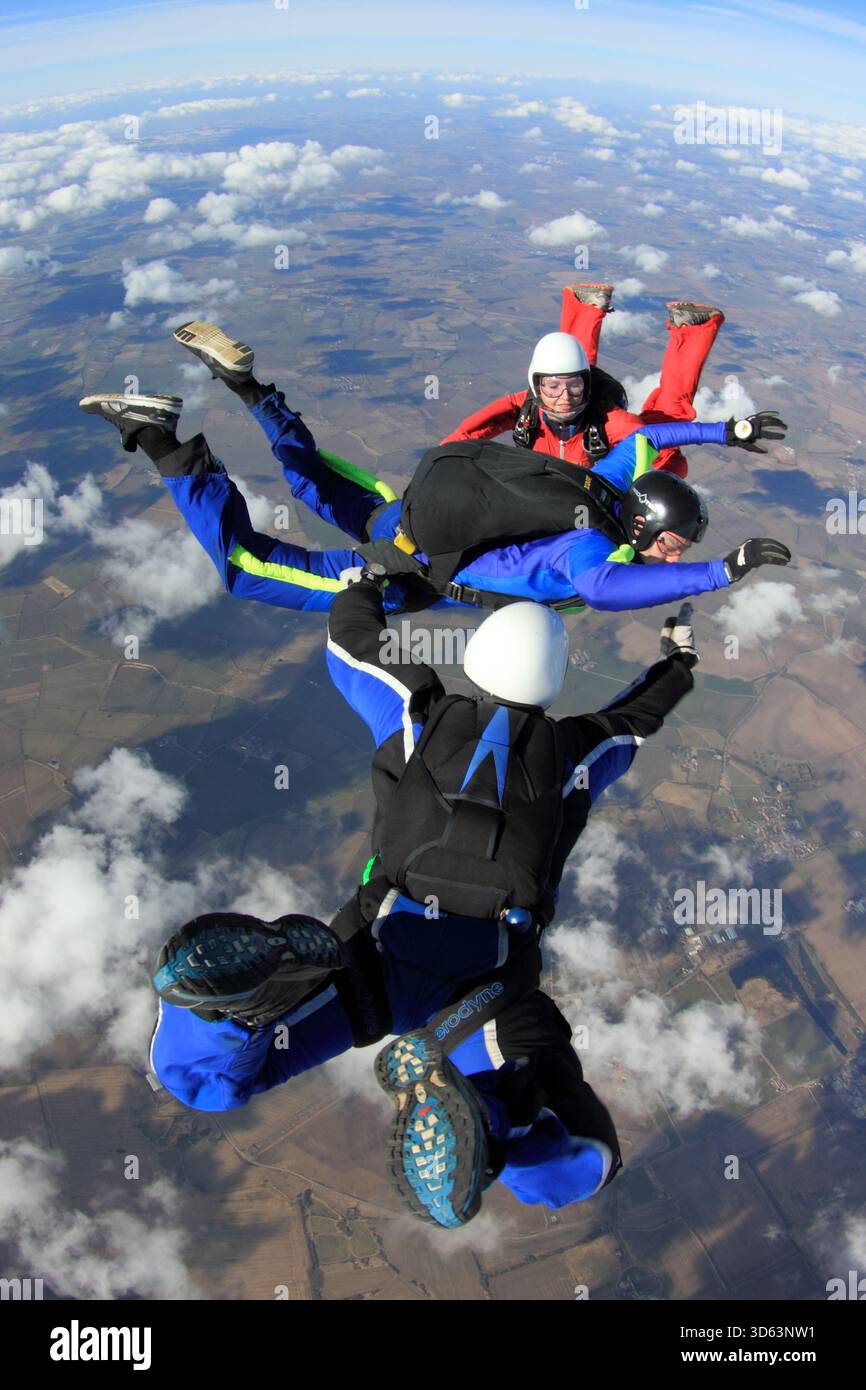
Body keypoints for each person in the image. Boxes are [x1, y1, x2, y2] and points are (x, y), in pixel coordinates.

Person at [150, 590, 702, 1229]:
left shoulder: (418, 714)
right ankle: (489, 1123)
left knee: (200, 1081)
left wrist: (369, 583)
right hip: (481, 990)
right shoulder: (574, 754)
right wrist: (678, 661)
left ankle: (234, 1006)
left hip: (374, 953)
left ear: (476, 656)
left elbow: (349, 649)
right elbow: (638, 718)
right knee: (582, 1150)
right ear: (554, 680)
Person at [79, 322, 790, 618]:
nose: (672, 555)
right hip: (408, 567)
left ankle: (249, 389)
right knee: (246, 569)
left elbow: (664, 434)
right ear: (647, 521)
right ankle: (159, 440)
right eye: (672, 542)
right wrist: (718, 574)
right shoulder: (591, 549)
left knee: (315, 482)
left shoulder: (615, 475)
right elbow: (606, 590)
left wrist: (732, 431)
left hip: (413, 502)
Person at [441, 283, 726, 476]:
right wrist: (439, 467)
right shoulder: (525, 408)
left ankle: (694, 329)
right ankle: (586, 306)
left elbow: (658, 446)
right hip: (567, 476)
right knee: (568, 368)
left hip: (600, 429)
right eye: (551, 388)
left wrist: (666, 478)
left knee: (668, 414)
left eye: (574, 388)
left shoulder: (613, 423)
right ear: (536, 386)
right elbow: (468, 434)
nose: (563, 397)